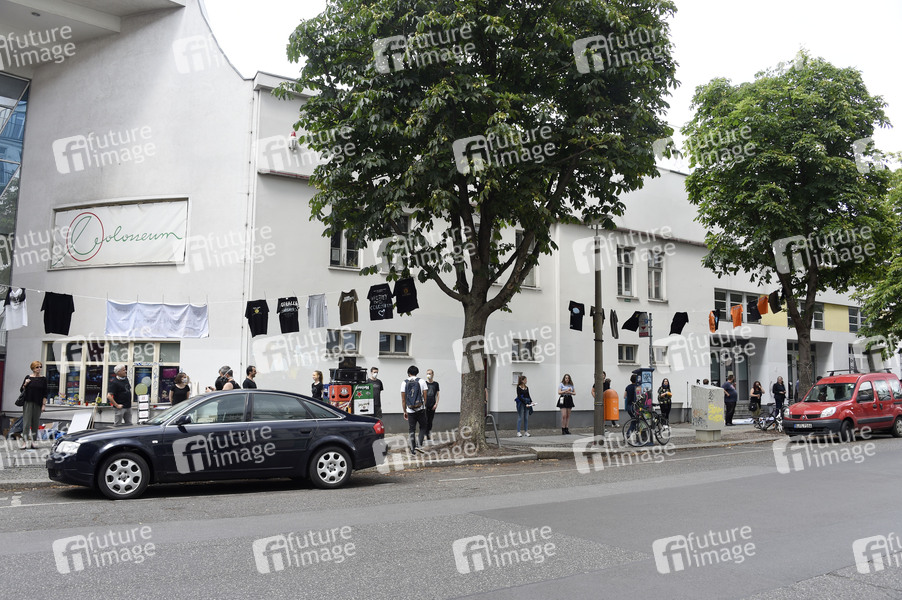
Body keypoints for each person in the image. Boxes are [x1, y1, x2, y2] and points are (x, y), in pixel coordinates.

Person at [400, 365, 428, 453]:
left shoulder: (404, 382)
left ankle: (412, 448)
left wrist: (404, 411)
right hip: (420, 409)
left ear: (408, 373)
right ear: (417, 372)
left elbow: (403, 399)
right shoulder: (422, 381)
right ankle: (419, 445)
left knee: (412, 429)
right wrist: (423, 406)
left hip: (410, 410)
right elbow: (425, 397)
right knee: (423, 426)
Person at [20, 360, 47, 449]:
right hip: (28, 402)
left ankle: (33, 442)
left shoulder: (43, 379)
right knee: (26, 423)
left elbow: (45, 393)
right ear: (33, 368)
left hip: (38, 403)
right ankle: (24, 442)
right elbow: (21, 390)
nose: (39, 368)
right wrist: (25, 383)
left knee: (35, 423)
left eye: (40, 367)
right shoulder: (28, 377)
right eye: (37, 367)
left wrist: (43, 405)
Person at [424, 369, 440, 442]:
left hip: (432, 404)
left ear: (433, 374)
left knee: (430, 420)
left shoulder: (436, 384)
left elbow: (438, 395)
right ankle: (425, 435)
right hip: (425, 405)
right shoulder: (424, 383)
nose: (428, 375)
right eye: (427, 373)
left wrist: (436, 404)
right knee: (425, 420)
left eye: (430, 373)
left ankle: (429, 434)